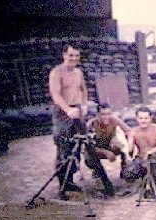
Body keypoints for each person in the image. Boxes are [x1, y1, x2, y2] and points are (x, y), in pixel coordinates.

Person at [49, 44, 114, 199]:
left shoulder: (78, 72)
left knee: (81, 146)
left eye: (77, 56)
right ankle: (64, 185)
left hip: (77, 111)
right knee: (64, 148)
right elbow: (56, 95)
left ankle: (96, 181)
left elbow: (83, 90)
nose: (74, 59)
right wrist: (67, 110)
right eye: (71, 55)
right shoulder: (56, 73)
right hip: (62, 113)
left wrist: (83, 105)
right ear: (64, 55)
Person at [122, 106, 156, 199]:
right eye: (141, 118)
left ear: (150, 118)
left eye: (146, 118)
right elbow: (128, 149)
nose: (143, 121)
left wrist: (151, 151)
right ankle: (143, 183)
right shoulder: (133, 132)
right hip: (142, 159)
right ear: (137, 119)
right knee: (128, 173)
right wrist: (126, 152)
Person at [85, 102, 131, 180]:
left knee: (127, 144)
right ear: (98, 115)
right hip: (96, 148)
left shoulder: (115, 120)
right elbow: (88, 146)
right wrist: (105, 152)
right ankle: (97, 171)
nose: (106, 117)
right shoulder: (91, 124)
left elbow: (129, 132)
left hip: (110, 145)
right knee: (89, 158)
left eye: (109, 114)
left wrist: (127, 144)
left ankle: (125, 168)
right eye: (103, 114)